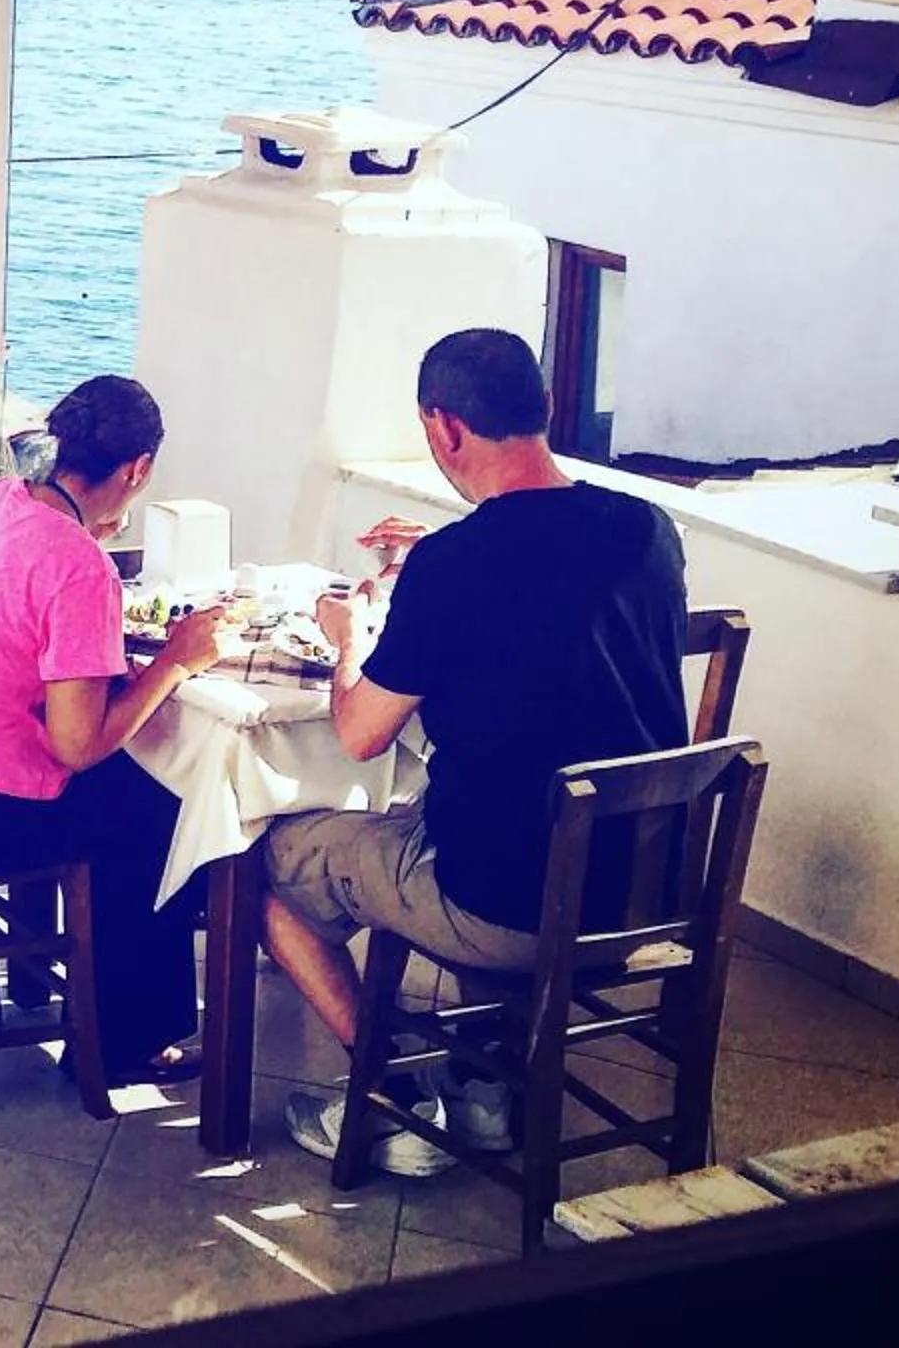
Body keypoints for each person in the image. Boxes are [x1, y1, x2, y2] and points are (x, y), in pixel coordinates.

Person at [264, 328, 689, 1177]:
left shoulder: (457, 565)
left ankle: (392, 1098)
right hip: (641, 894)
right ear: (547, 409)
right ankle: (489, 1096)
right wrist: (442, 559)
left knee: (264, 860)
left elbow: (358, 734)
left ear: (444, 429)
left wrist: (347, 635)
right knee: (486, 823)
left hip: (507, 911)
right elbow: (560, 617)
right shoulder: (648, 532)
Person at [0, 375, 232, 1085]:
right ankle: (127, 1040)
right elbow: (76, 747)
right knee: (163, 815)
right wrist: (174, 661)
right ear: (138, 470)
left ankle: (45, 972)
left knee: (129, 791)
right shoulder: (79, 566)